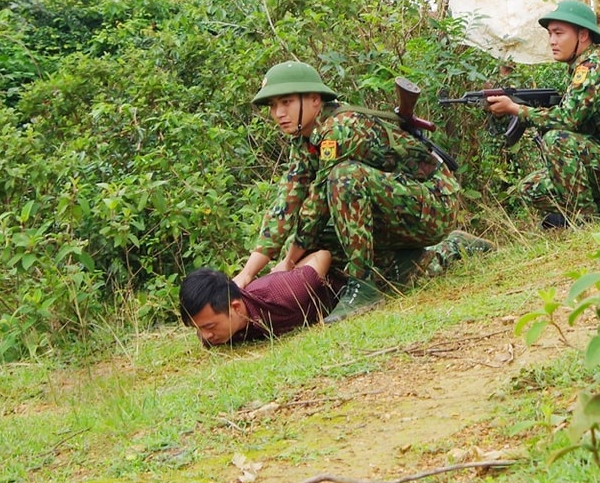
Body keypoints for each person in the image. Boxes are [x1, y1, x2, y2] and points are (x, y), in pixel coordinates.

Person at [231, 60, 462, 319]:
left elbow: (317, 205)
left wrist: (288, 261)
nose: (278, 113)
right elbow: (286, 202)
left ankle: (363, 287)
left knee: (344, 179)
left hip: (435, 205)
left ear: (315, 100)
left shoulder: (340, 128)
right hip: (400, 209)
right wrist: (247, 273)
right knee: (321, 241)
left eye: (286, 102)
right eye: (273, 106)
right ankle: (442, 253)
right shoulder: (304, 136)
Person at [485, 0, 600, 227]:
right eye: (550, 34)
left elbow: (567, 119)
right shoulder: (581, 66)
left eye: (559, 33)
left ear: (583, 35)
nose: (552, 41)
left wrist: (516, 109)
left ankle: (586, 222)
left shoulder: (593, 66)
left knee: (557, 140)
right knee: (530, 188)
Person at [182, 250, 338, 346]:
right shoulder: (215, 333)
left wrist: (287, 266)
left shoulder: (281, 291)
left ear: (236, 307)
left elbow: (322, 255)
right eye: (198, 328)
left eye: (209, 327)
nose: (205, 336)